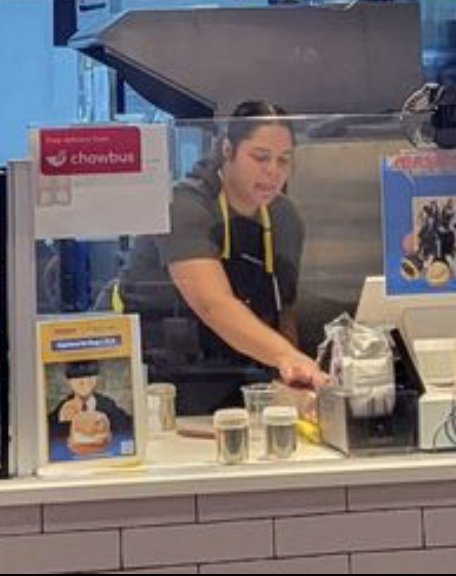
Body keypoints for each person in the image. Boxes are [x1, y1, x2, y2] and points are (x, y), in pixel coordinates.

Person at [116, 100, 328, 415]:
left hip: (243, 384)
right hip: (159, 384)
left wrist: (293, 379)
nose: (273, 171)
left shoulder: (285, 218)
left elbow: (284, 312)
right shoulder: (184, 206)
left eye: (284, 160)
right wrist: (287, 357)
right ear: (228, 149)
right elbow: (213, 304)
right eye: (260, 157)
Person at [48, 360, 136, 460]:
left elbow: (130, 427)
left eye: (88, 376)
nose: (83, 382)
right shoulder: (61, 411)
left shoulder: (108, 405)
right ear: (69, 380)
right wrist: (63, 422)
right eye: (76, 377)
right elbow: (47, 435)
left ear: (96, 378)